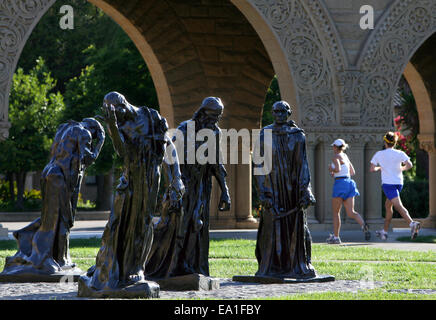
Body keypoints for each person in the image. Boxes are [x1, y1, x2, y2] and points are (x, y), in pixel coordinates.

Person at [80, 92, 184, 294]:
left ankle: (136, 267)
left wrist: (176, 178)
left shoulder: (150, 116)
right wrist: (111, 126)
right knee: (117, 223)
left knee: (142, 223)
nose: (116, 117)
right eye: (112, 116)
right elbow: (122, 152)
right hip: (129, 181)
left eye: (116, 113)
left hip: (150, 179)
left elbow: (169, 146)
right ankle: (109, 265)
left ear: (122, 105)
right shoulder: (117, 125)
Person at [2, 118, 104, 276]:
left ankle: (51, 253)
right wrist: (101, 142)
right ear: (94, 130)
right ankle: (44, 257)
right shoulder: (85, 133)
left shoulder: (64, 129)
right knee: (61, 219)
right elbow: (87, 158)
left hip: (49, 173)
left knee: (51, 217)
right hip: (60, 177)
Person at [253, 101, 316, 279]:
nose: (279, 114)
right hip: (272, 187)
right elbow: (258, 164)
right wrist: (263, 192)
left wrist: (306, 191)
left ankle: (296, 265)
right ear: (272, 113)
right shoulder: (265, 134)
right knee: (272, 228)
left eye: (282, 111)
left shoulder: (297, 135)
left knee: (295, 227)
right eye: (276, 111)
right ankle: (271, 266)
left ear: (288, 113)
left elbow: (303, 165)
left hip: (292, 189)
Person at [170, 96, 231, 277]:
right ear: (203, 112)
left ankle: (194, 267)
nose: (215, 121)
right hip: (184, 184)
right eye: (213, 116)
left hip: (202, 186)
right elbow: (171, 157)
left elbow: (217, 164)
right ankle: (174, 266)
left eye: (218, 117)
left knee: (198, 225)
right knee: (181, 226)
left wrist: (225, 191)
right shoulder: (184, 129)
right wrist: (175, 183)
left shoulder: (215, 132)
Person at [370, 131, 421, 240]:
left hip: (388, 184)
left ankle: (412, 223)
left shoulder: (379, 154)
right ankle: (384, 231)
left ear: (385, 142)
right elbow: (410, 165)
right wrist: (401, 168)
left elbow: (372, 169)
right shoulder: (400, 153)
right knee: (388, 206)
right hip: (399, 183)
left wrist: (380, 168)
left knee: (398, 206)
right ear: (395, 142)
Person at [326, 139, 370, 244]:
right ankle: (363, 225)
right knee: (351, 212)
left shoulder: (336, 157)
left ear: (336, 147)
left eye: (333, 146)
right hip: (350, 183)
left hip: (340, 184)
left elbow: (337, 169)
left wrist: (331, 169)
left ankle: (336, 238)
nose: (333, 148)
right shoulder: (345, 156)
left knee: (336, 213)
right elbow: (352, 171)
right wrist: (336, 172)